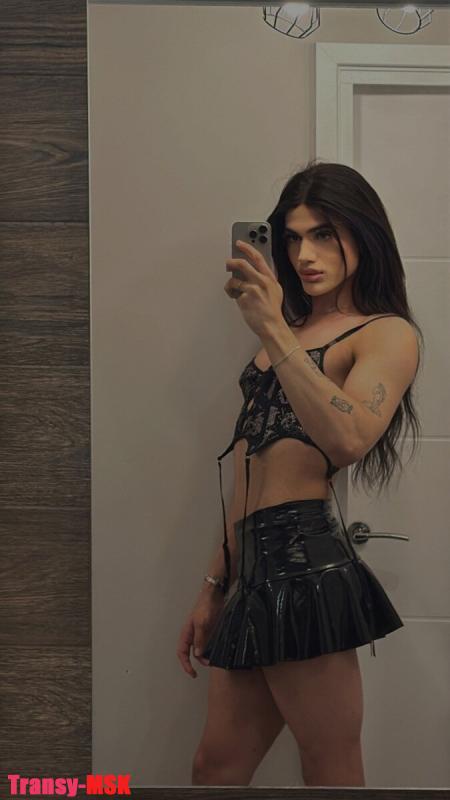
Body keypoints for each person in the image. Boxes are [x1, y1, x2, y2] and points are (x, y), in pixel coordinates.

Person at [176, 160, 423, 788]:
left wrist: (270, 328)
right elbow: (249, 468)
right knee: (214, 767)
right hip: (252, 567)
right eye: (291, 238)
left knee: (330, 771)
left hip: (306, 566)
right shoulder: (289, 330)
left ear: (363, 235)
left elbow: (351, 438)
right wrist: (214, 583)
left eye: (323, 235)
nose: (304, 255)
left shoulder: (386, 334)